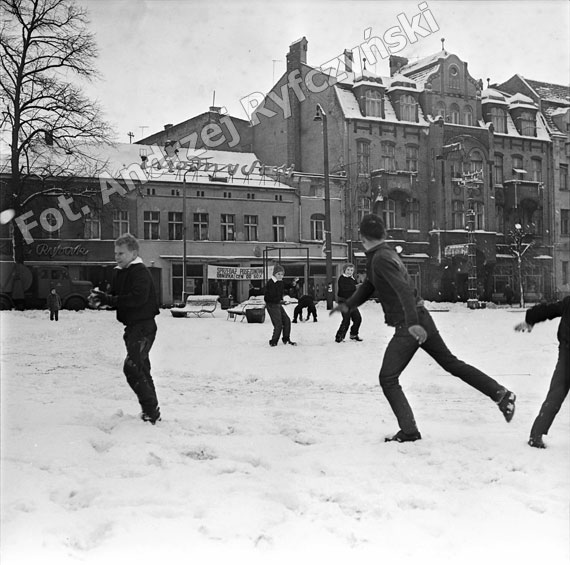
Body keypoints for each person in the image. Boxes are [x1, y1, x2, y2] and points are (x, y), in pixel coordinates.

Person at [332, 214, 516, 442]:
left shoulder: (380, 258)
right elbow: (370, 285)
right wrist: (348, 305)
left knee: (388, 378)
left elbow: (402, 289)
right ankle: (500, 393)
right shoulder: (384, 254)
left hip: (409, 324)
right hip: (420, 317)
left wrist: (412, 325)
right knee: (452, 363)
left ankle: (409, 431)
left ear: (362, 237)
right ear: (383, 234)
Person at [90, 234, 161, 424]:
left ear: (134, 253)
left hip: (143, 328)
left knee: (132, 368)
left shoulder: (140, 272)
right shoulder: (121, 272)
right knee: (141, 369)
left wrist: (109, 299)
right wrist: (102, 299)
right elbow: (119, 298)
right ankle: (151, 412)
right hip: (133, 328)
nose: (117, 257)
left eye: (121, 253)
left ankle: (151, 412)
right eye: (116, 253)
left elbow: (136, 299)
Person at [514, 296, 569, 449]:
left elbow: (548, 309)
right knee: (555, 395)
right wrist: (530, 319)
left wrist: (530, 319)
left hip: (566, 356)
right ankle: (536, 435)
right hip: (567, 355)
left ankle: (536, 434)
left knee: (555, 395)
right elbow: (549, 310)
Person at [264, 264, 296, 346]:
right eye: (278, 274)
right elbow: (268, 298)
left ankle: (286, 339)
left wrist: (292, 284)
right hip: (272, 305)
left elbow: (286, 285)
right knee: (278, 324)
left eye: (282, 274)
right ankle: (273, 341)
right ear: (274, 274)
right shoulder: (270, 283)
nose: (280, 276)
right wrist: (280, 301)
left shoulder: (280, 282)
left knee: (287, 320)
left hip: (277, 304)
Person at [335, 263, 362, 342]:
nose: (350, 272)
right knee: (346, 320)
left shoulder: (352, 279)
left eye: (351, 270)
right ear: (344, 270)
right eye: (348, 270)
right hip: (343, 302)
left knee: (357, 318)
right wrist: (356, 287)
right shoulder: (342, 278)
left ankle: (354, 334)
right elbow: (344, 289)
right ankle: (339, 337)